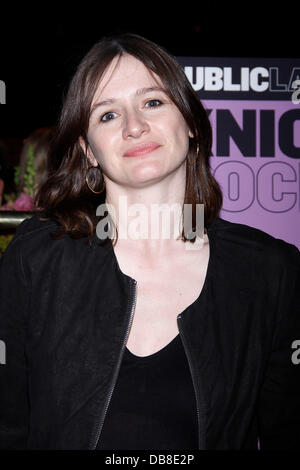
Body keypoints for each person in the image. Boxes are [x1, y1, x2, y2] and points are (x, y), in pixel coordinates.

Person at [0, 33, 299, 451]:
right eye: (107, 115)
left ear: (192, 123)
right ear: (87, 150)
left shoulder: (270, 270)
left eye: (153, 102)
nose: (134, 126)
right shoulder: (35, 259)